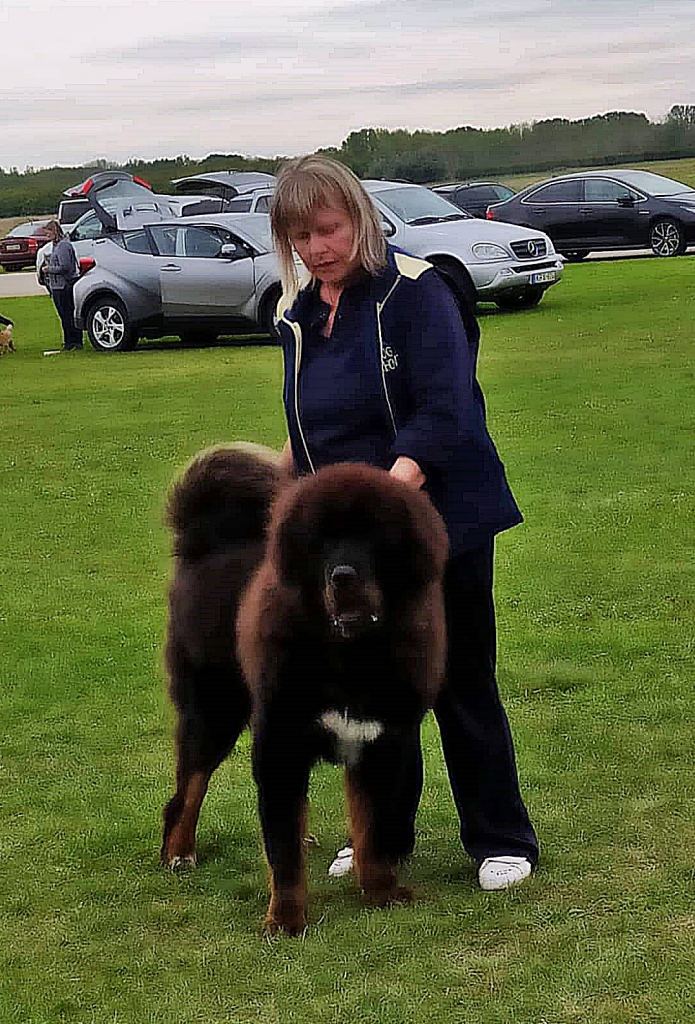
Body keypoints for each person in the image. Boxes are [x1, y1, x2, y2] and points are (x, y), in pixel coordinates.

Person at [269, 155, 539, 892]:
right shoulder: (297, 316)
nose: (318, 248)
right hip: (352, 546)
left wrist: (385, 502)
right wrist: (284, 500)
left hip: (438, 524)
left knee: (458, 678)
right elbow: (307, 427)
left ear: (360, 218)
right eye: (301, 237)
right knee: (370, 692)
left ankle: (500, 839)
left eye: (329, 229)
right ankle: (382, 837)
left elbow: (446, 409)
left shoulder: (418, 292)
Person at [44, 221, 83, 351]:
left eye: (48, 233)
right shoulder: (56, 245)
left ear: (54, 231)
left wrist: (49, 269)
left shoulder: (63, 246)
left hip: (63, 285)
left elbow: (65, 267)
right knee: (64, 315)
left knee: (67, 314)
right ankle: (69, 340)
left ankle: (73, 342)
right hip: (57, 285)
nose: (47, 236)